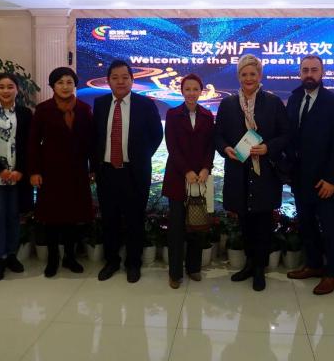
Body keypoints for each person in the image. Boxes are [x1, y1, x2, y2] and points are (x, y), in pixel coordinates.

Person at [214, 54, 289, 291]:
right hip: (238, 170)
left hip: (264, 172)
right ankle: (248, 264)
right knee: (245, 221)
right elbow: (218, 135)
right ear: (239, 76)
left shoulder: (273, 102)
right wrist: (225, 149)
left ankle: (259, 269)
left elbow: (286, 135)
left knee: (263, 222)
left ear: (260, 75)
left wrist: (268, 147)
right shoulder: (227, 104)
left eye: (252, 74)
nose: (248, 78)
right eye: (244, 74)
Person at [94, 60, 163, 283]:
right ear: (108, 81)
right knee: (109, 219)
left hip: (134, 173)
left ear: (132, 80)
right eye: (115, 77)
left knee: (135, 220)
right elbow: (94, 138)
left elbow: (156, 135)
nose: (120, 81)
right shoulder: (100, 104)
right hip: (107, 172)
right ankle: (112, 261)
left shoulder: (145, 105)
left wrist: (141, 157)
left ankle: (133, 263)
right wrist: (94, 168)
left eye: (125, 77)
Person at [285, 55, 334, 295]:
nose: (309, 74)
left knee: (330, 228)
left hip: (324, 180)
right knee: (307, 224)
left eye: (314, 70)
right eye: (305, 70)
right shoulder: (294, 99)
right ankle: (313, 265)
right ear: (299, 73)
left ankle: (332, 274)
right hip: (300, 177)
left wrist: (332, 178)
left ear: (322, 73)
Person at [28, 67, 95, 278]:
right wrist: (35, 171)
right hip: (51, 173)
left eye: (69, 82)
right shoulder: (43, 110)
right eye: (60, 82)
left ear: (75, 85)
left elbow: (91, 142)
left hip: (76, 172)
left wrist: (92, 168)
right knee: (52, 218)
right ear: (52, 86)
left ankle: (70, 257)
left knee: (72, 217)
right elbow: (33, 143)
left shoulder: (84, 109)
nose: (65, 86)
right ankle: (53, 259)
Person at [162, 74, 215, 289]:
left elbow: (210, 146)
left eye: (195, 89)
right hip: (177, 177)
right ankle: (175, 274)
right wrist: (186, 171)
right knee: (176, 228)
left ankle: (194, 268)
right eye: (188, 89)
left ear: (201, 91)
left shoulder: (207, 115)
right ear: (182, 91)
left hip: (200, 178)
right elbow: (172, 147)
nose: (191, 93)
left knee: (196, 225)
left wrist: (206, 168)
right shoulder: (173, 114)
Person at [0, 73, 33, 281]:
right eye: (1, 87)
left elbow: (29, 145)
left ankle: (12, 255)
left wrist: (20, 170)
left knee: (13, 215)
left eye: (10, 86)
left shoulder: (25, 113)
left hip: (17, 175)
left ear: (17, 90)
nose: (6, 90)